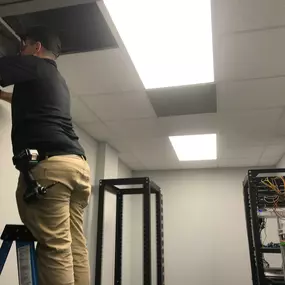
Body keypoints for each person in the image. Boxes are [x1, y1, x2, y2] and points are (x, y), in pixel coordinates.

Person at [0, 26, 91, 285]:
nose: (21, 51)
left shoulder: (33, 65)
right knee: (75, 247)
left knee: (56, 250)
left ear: (36, 47)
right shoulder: (57, 81)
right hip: (78, 167)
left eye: (24, 45)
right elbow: (28, 102)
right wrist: (4, 96)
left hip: (51, 168)